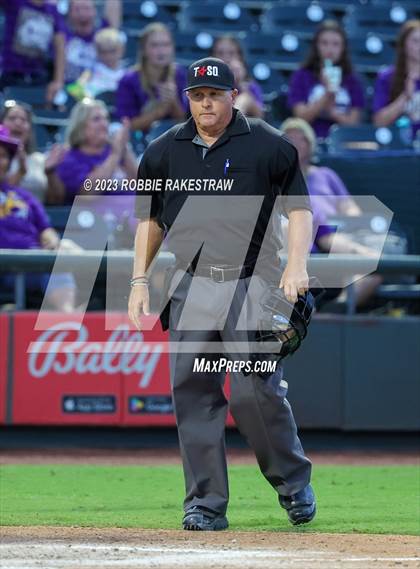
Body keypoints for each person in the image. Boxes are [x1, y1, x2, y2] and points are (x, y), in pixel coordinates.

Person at [129, 57, 316, 531]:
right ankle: (205, 504)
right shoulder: (162, 151)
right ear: (187, 98)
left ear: (234, 95)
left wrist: (297, 265)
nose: (205, 102)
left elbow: (299, 211)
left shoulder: (271, 145)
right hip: (193, 282)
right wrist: (137, 280)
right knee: (194, 393)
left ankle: (293, 483)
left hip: (254, 279)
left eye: (214, 94)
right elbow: (150, 222)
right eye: (197, 95)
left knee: (253, 394)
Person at [280, 117, 383, 309]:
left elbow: (351, 209)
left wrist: (349, 222)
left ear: (310, 144)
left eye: (301, 138)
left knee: (375, 268)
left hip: (334, 235)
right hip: (298, 242)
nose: (295, 143)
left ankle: (337, 310)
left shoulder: (326, 174)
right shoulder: (275, 177)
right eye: (290, 138)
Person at [0, 125, 77, 311]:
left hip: (33, 263)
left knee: (62, 254)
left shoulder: (24, 196)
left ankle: (70, 321)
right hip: (3, 264)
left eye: (3, 156)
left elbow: (46, 229)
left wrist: (51, 241)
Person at [45, 98, 137, 237]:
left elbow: (143, 185)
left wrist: (125, 147)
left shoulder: (114, 151)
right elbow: (88, 194)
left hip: (133, 219)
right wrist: (116, 154)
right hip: (98, 227)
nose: (104, 124)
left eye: (106, 118)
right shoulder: (69, 158)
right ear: (80, 125)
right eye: (96, 119)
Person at [287, 20, 365, 139]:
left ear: (343, 48)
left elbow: (353, 124)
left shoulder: (352, 80)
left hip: (342, 141)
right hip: (310, 139)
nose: (330, 49)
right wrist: (327, 94)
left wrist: (332, 112)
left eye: (336, 44)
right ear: (316, 46)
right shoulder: (301, 76)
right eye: (324, 43)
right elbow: (300, 119)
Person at [116, 22, 188, 133]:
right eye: (154, 45)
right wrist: (159, 111)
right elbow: (127, 125)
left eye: (166, 45)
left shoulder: (179, 74)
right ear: (143, 50)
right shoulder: (128, 79)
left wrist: (173, 101)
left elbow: (184, 120)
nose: (161, 51)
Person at [0, 0, 65, 103]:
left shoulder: (52, 10)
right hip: (11, 74)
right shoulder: (15, 2)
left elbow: (60, 46)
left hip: (39, 77)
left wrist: (58, 81)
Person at [373, 20, 420, 137]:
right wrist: (405, 96)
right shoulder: (387, 77)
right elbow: (379, 122)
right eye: (416, 41)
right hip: (397, 143)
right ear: (404, 44)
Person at [0, 100, 48, 203]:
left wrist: (51, 173)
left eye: (24, 120)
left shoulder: (40, 160)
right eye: (12, 118)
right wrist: (21, 171)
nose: (18, 123)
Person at [63, 0, 122, 85]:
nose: (82, 13)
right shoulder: (62, 34)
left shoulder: (104, 31)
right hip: (71, 87)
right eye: (77, 9)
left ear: (94, 11)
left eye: (86, 8)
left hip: (104, 86)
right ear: (69, 13)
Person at [211, 35, 264, 118]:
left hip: (243, 126)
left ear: (240, 56)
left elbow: (260, 115)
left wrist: (240, 82)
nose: (226, 58)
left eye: (231, 53)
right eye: (220, 53)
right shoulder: (204, 82)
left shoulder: (250, 85)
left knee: (244, 99)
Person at [67, 27, 126, 100]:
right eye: (103, 52)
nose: (108, 56)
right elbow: (75, 89)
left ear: (122, 50)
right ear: (97, 52)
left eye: (112, 51)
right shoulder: (91, 71)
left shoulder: (126, 73)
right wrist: (86, 99)